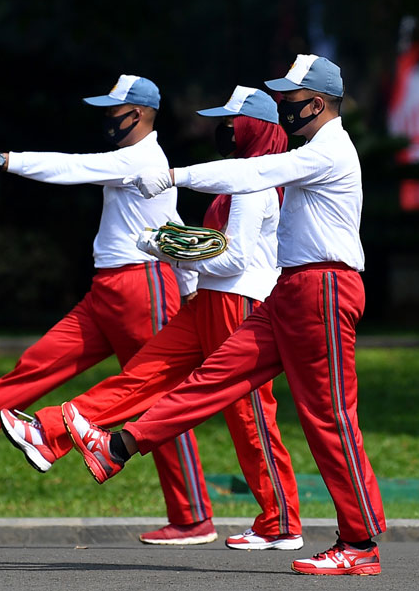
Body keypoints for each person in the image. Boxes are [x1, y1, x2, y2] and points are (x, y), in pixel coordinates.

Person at [64, 55, 387, 576]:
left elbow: (254, 171)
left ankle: (360, 543)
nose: (282, 108)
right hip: (292, 289)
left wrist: (173, 175)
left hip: (324, 289)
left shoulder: (329, 150)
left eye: (291, 100)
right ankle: (118, 446)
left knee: (330, 419)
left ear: (320, 103)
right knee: (214, 377)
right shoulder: (313, 148)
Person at [0, 86, 303, 550]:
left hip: (239, 303)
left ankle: (280, 523)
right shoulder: (237, 176)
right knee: (142, 375)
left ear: (253, 128)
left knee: (249, 417)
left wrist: (170, 252)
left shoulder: (252, 182)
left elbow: (234, 260)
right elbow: (215, 246)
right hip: (209, 300)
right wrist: (176, 244)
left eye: (231, 122)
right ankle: (48, 432)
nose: (222, 129)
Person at [0, 74, 208, 529]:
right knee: (37, 363)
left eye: (114, 110)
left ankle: (192, 518)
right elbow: (171, 221)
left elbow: (71, 168)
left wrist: (1, 160)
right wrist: (190, 286)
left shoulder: (141, 158)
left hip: (141, 288)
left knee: (153, 398)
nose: (107, 119)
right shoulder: (138, 159)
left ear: (140, 114)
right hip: (110, 290)